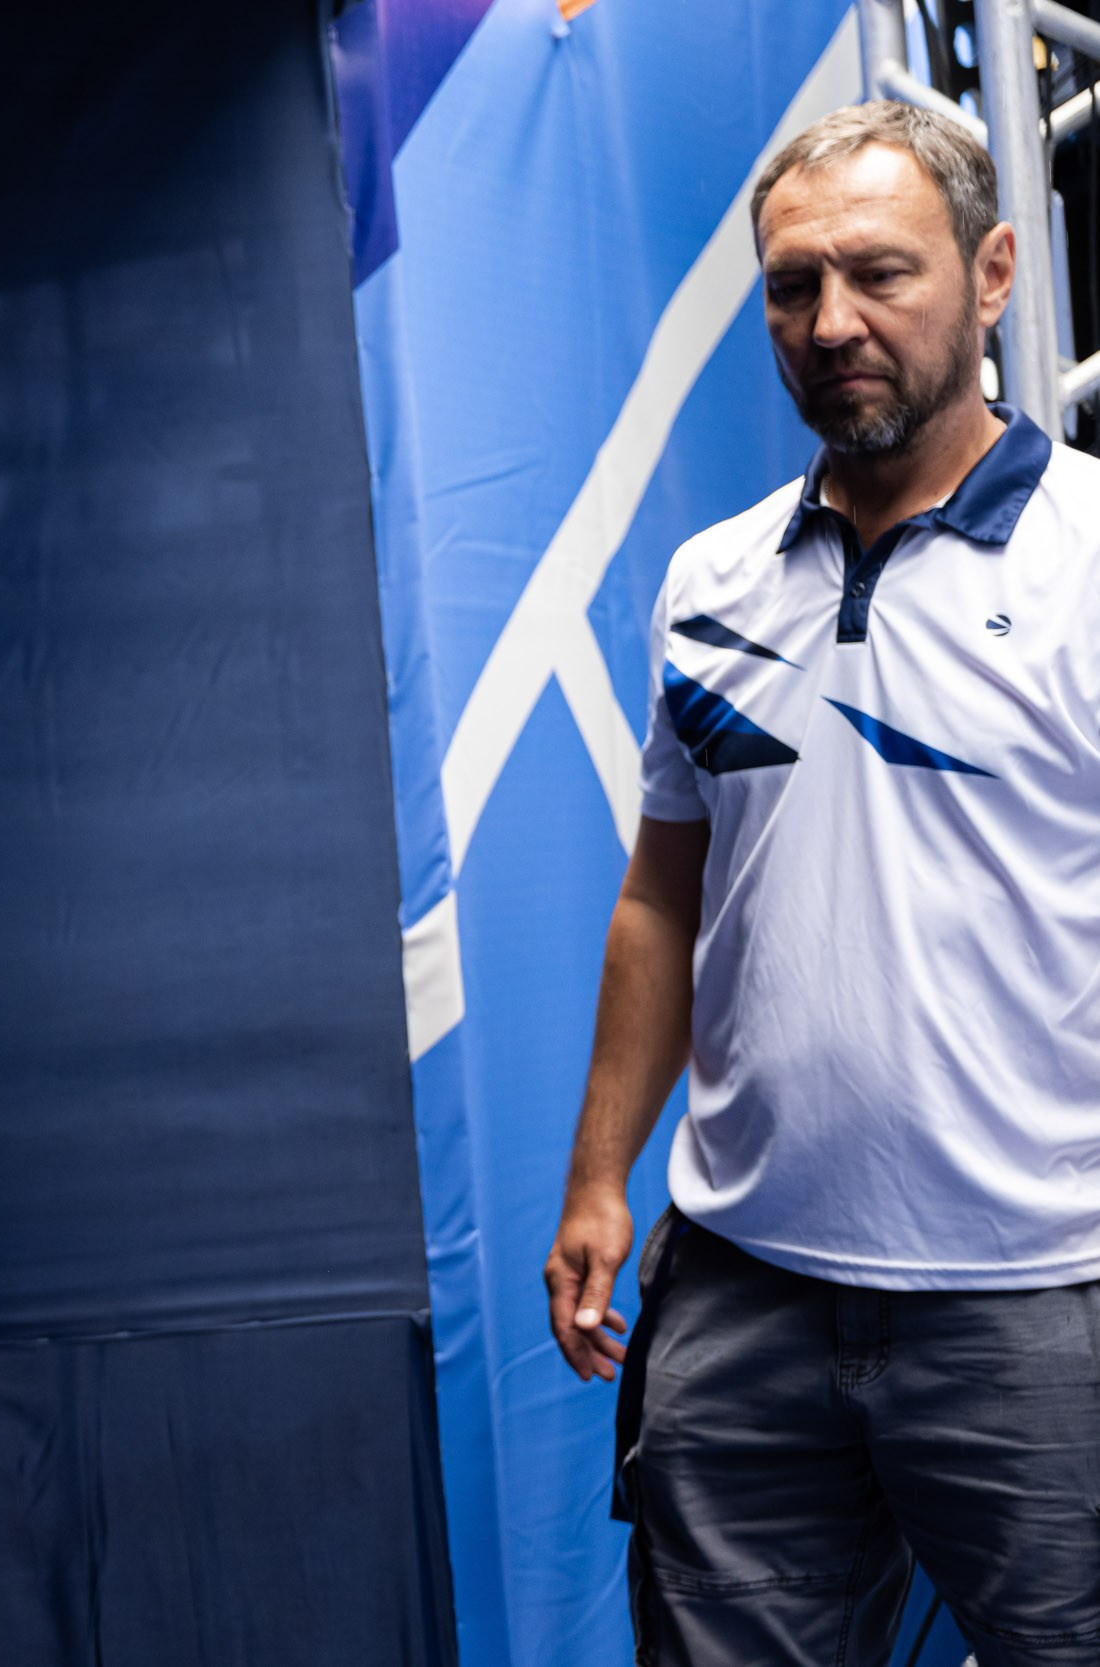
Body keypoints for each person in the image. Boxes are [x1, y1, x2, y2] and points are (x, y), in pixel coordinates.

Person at [542, 100, 1100, 1665]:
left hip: (1044, 1301)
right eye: (793, 286)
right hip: (742, 1296)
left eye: (879, 273)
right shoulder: (710, 582)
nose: (831, 321)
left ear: (994, 274)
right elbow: (666, 891)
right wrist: (602, 1174)